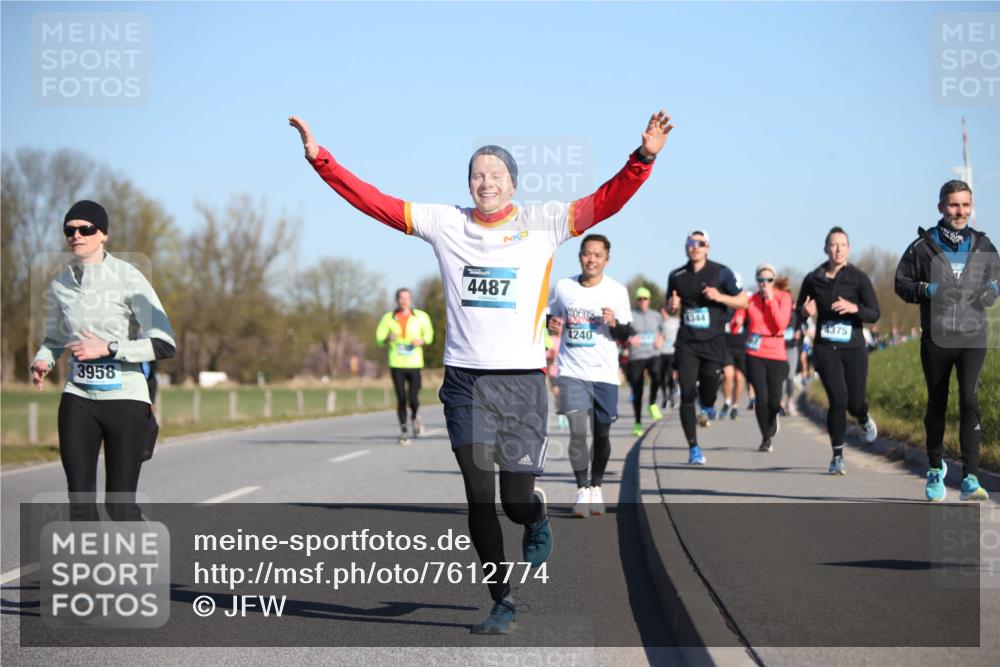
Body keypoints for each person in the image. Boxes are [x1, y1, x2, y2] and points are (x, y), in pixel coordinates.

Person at [290, 109, 672, 634]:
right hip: (465, 383)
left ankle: (535, 516)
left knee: (515, 501)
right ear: (468, 183)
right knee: (478, 495)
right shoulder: (445, 222)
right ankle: (502, 599)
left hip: (520, 384)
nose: (485, 182)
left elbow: (605, 200)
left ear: (513, 183)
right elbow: (373, 202)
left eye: (495, 175)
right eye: (477, 174)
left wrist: (643, 158)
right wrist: (321, 159)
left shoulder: (544, 223)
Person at [30, 200, 176, 521]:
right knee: (80, 506)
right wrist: (43, 361)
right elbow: (55, 340)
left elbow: (164, 344)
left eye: (86, 229)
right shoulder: (61, 285)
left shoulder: (129, 278)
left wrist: (109, 348)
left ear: (103, 235)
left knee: (119, 507)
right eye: (70, 230)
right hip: (78, 398)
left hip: (125, 399)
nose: (77, 236)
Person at [895, 180, 999, 502]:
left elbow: (996, 279)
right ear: (941, 207)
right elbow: (902, 283)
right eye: (954, 205)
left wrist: (991, 291)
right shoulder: (922, 247)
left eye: (965, 205)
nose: (960, 211)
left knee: (969, 400)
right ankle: (935, 467)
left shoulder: (982, 245)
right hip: (937, 338)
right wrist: (928, 290)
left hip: (973, 335)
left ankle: (969, 476)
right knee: (937, 403)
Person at [548, 234, 632, 518]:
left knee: (601, 433)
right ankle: (582, 488)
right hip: (572, 370)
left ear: (606, 259)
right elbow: (550, 317)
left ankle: (597, 484)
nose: (591, 259)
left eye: (597, 255)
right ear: (580, 256)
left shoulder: (617, 292)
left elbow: (626, 334)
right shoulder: (564, 287)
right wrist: (552, 323)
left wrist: (614, 323)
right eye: (587, 253)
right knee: (576, 431)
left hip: (605, 373)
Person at [796, 226, 880, 475]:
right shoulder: (813, 279)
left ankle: (862, 418)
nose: (838, 249)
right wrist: (803, 312)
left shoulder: (859, 278)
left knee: (854, 402)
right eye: (833, 244)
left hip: (853, 348)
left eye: (843, 244)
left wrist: (855, 309)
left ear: (849, 249)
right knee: (838, 400)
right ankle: (837, 456)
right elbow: (798, 313)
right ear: (826, 249)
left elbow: (874, 312)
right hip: (825, 349)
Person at [666, 230, 749, 464]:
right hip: (687, 342)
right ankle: (693, 448)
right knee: (687, 392)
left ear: (708, 248)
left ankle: (709, 405)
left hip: (713, 342)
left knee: (710, 389)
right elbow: (670, 307)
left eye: (700, 244)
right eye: (691, 243)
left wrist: (720, 297)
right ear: (686, 247)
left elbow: (743, 302)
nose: (695, 247)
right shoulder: (677, 276)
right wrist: (672, 305)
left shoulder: (721, 272)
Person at [735, 264, 793, 452]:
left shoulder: (783, 297)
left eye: (768, 280)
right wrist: (736, 321)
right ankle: (766, 437)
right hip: (755, 352)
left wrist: (770, 301)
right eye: (760, 280)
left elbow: (781, 324)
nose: (764, 283)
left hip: (776, 351)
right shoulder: (751, 299)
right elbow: (739, 315)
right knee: (761, 397)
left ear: (773, 281)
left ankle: (773, 415)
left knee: (774, 400)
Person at [375, 288, 435, 445]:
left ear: (411, 299)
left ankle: (415, 416)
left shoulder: (421, 316)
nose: (404, 301)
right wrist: (388, 337)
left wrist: (421, 340)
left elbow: (429, 335)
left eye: (406, 298)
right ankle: (403, 431)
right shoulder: (388, 318)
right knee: (401, 398)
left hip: (415, 363)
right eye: (401, 298)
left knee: (413, 398)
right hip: (396, 363)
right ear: (396, 300)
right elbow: (378, 338)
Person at [626, 286, 664, 436]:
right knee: (637, 390)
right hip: (636, 356)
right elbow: (623, 332)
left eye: (645, 299)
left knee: (657, 374)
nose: (642, 301)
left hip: (652, 353)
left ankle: (653, 403)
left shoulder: (656, 315)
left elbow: (662, 331)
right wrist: (628, 338)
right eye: (640, 299)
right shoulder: (630, 316)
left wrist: (661, 339)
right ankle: (637, 424)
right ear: (637, 301)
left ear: (649, 300)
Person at [721, 280, 748, 420]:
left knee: (739, 377)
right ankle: (726, 402)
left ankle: (735, 405)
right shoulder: (723, 304)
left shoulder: (745, 305)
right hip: (726, 344)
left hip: (742, 346)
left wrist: (743, 322)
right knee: (728, 375)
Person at [658, 305, 680, 409]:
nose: (661, 313)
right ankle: (664, 397)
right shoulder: (659, 323)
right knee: (661, 377)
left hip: (672, 352)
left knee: (670, 375)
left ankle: (671, 396)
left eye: (663, 311)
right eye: (660, 312)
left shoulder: (675, 322)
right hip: (661, 353)